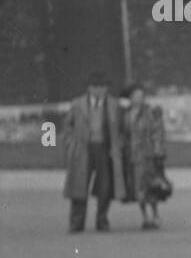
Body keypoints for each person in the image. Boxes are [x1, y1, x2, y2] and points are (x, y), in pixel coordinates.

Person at [62, 72, 126, 233]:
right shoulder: (78, 104)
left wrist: (117, 145)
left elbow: (122, 128)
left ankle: (102, 219)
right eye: (95, 87)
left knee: (105, 186)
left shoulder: (114, 105)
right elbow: (67, 126)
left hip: (104, 149)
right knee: (79, 186)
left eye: (103, 87)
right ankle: (77, 222)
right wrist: (71, 143)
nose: (99, 90)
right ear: (89, 88)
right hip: (83, 149)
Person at [120, 83, 167, 230]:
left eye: (141, 96)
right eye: (135, 96)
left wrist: (158, 151)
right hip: (132, 156)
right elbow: (123, 134)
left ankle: (155, 215)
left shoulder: (150, 112)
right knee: (138, 188)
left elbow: (157, 132)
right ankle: (144, 216)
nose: (139, 99)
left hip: (148, 156)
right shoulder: (126, 114)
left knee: (151, 186)